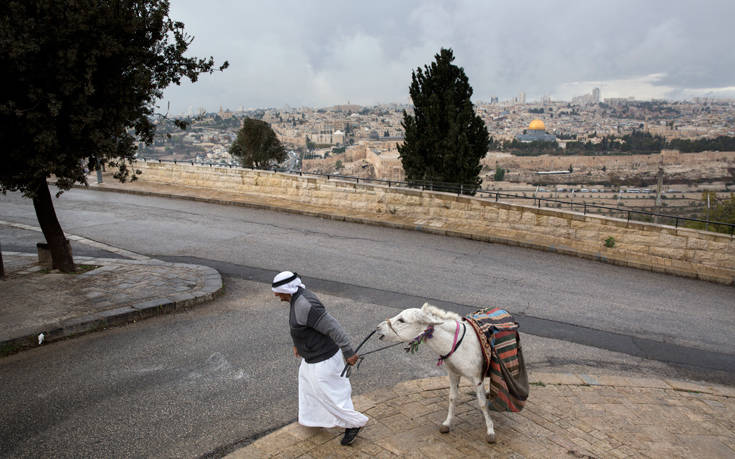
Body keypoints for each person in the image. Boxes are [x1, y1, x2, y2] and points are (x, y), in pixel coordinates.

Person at [272, 271, 368, 446]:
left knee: (330, 395)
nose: (277, 296)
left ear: (288, 289)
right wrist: (297, 344)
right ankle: (314, 419)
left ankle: (354, 424)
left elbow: (333, 327)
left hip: (324, 360)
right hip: (312, 358)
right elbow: (299, 327)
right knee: (308, 387)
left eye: (278, 292)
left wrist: (349, 352)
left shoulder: (306, 305)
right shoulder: (296, 300)